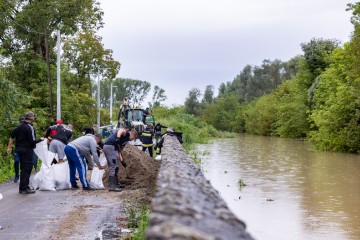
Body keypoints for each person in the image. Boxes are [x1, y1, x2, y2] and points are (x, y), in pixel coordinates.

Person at [11, 111, 41, 194]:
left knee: (22, 168)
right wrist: (40, 140)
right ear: (31, 118)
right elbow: (32, 141)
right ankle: (25, 188)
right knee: (27, 168)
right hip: (27, 150)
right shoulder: (29, 127)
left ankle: (22, 188)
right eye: (33, 117)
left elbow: (14, 137)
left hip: (19, 149)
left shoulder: (19, 127)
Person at [6, 117, 25, 182]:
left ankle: (23, 175)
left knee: (24, 163)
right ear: (19, 122)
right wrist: (9, 147)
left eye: (23, 122)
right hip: (18, 148)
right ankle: (17, 175)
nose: (22, 123)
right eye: (21, 122)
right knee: (16, 161)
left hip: (25, 149)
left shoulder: (27, 129)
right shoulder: (16, 130)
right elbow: (11, 138)